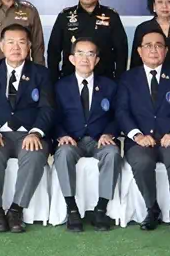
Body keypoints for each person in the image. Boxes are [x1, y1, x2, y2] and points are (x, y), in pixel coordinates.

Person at [0, 24, 54, 233]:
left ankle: (16, 210)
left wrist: (36, 132)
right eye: (10, 42)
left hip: (28, 133)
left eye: (21, 42)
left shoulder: (41, 73)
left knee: (35, 154)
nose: (15, 47)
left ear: (29, 46)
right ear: (2, 46)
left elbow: (47, 108)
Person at [116, 30, 170, 233]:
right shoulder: (128, 78)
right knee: (142, 162)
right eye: (148, 46)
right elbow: (121, 112)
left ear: (166, 51)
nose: (153, 50)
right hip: (141, 140)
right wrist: (137, 135)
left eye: (159, 45)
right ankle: (152, 209)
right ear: (139, 51)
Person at [53, 38, 121, 232]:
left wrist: (109, 133)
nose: (85, 59)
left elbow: (118, 115)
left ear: (97, 60)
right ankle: (72, 209)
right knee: (64, 153)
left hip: (99, 140)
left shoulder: (110, 86)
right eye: (80, 54)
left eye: (90, 54)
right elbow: (52, 117)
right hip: (72, 140)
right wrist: (62, 135)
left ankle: (101, 209)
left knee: (113, 153)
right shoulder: (60, 86)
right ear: (72, 59)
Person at [47, 0, 127, 83]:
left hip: (104, 80)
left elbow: (121, 52)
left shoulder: (111, 16)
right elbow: (53, 51)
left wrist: (119, 81)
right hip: (70, 80)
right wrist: (54, 80)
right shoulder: (65, 16)